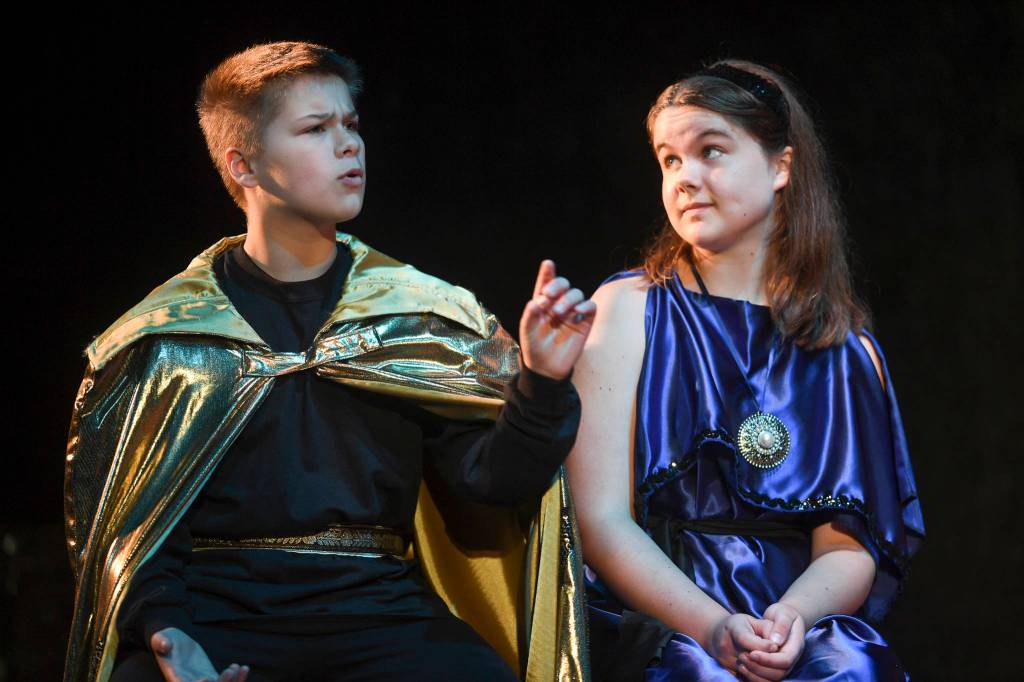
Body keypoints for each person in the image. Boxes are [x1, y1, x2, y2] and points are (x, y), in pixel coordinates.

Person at [63, 41, 595, 682]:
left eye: (351, 125)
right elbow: (132, 530)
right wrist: (169, 633)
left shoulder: (415, 315)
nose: (350, 146)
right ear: (245, 167)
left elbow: (492, 484)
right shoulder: (166, 338)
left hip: (378, 610)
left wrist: (540, 381)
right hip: (217, 612)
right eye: (316, 129)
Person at [567, 59, 924, 681]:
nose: (685, 178)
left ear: (781, 166)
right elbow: (601, 522)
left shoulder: (844, 346)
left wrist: (792, 617)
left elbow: (847, 545)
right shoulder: (625, 312)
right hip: (662, 614)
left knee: (850, 666)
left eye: (711, 151)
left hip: (791, 615)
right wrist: (712, 627)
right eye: (669, 160)